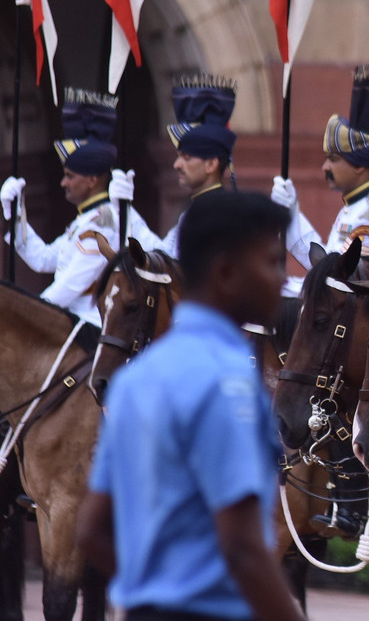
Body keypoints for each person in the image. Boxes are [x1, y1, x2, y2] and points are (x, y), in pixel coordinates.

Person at [76, 190, 306, 621]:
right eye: (273, 262)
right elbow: (242, 548)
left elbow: (92, 531)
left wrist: (159, 589)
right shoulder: (226, 380)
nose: (284, 279)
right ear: (225, 271)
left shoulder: (135, 381)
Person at [2, 89, 153, 327]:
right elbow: (44, 259)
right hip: (72, 323)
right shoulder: (84, 221)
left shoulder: (105, 220)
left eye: (70, 176)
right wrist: (17, 215)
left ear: (92, 179)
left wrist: (27, 314)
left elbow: (71, 284)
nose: (63, 183)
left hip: (91, 328)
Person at [273, 66, 369, 271]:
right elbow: (326, 262)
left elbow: (339, 278)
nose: (325, 167)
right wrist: (291, 214)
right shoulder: (355, 206)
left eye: (333, 159)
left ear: (360, 165)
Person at [126, 75, 238, 257]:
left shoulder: (221, 215)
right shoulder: (194, 213)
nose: (177, 164)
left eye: (186, 158)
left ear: (211, 164)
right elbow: (163, 257)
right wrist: (124, 210)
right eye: (179, 157)